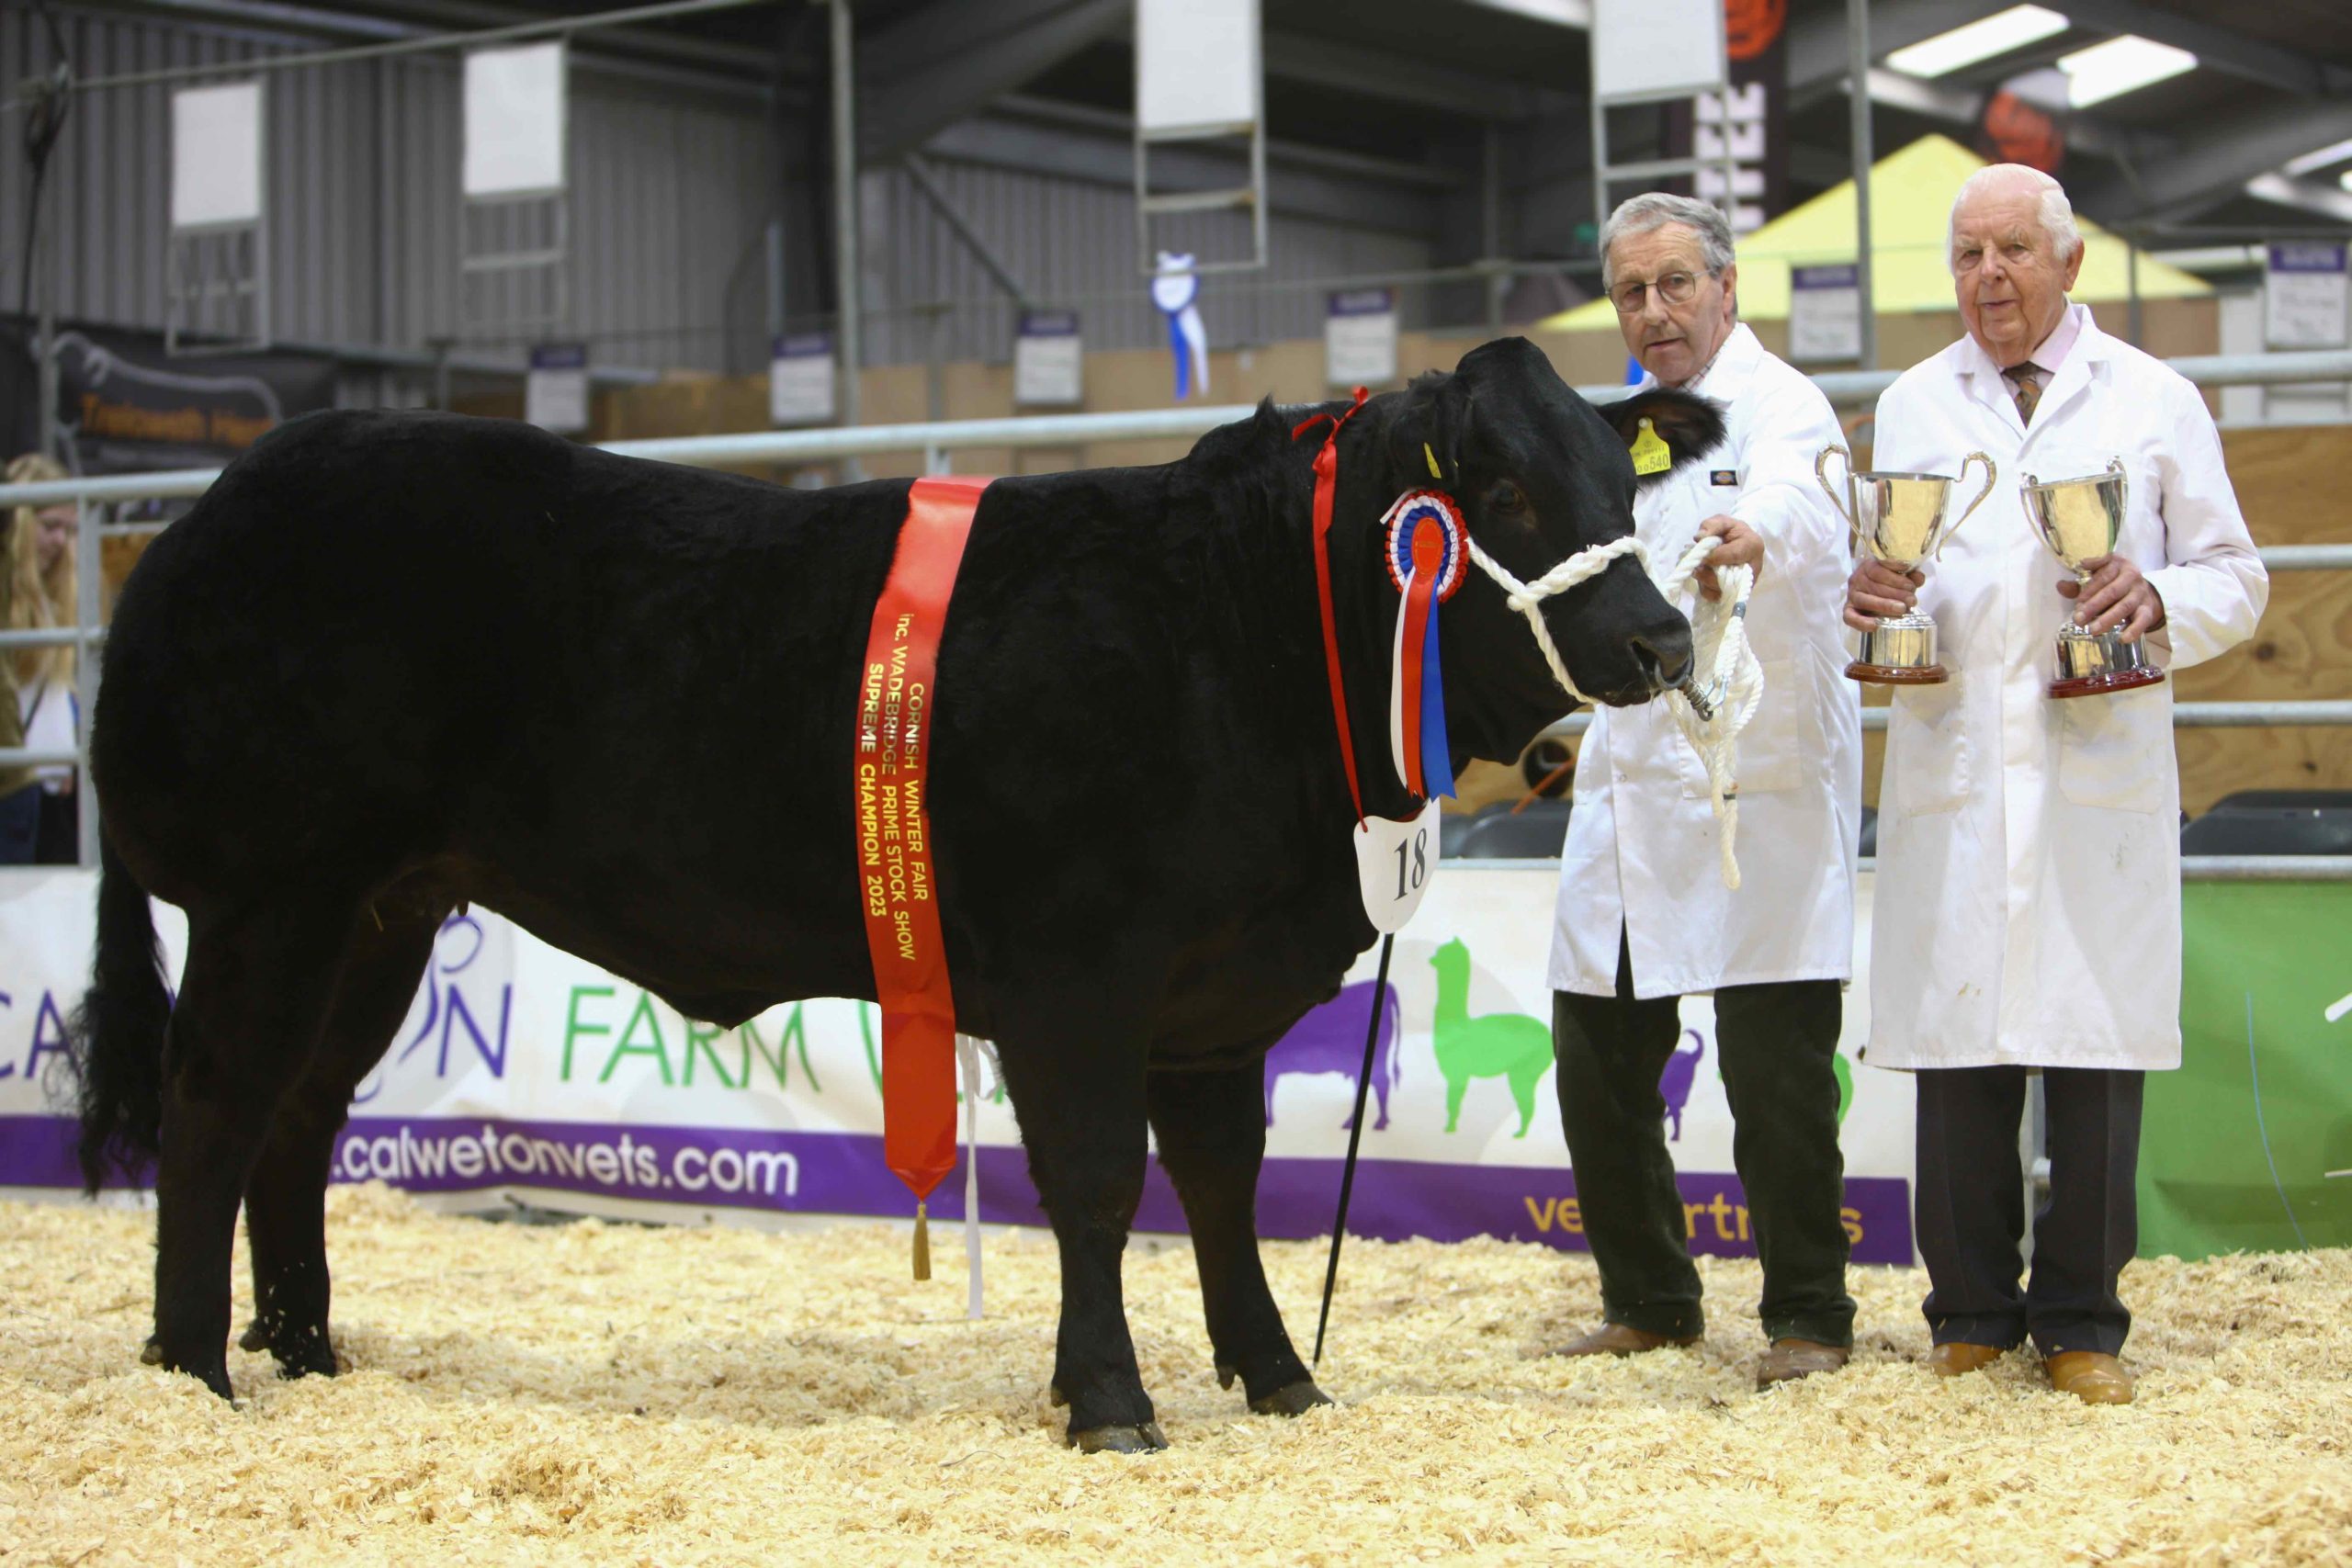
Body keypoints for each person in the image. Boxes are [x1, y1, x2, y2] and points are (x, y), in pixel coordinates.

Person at [1849, 165, 2267, 1405]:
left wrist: (2162, 598)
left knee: (2092, 1051)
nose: (1989, 277)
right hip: (1958, 763)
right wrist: (1869, 599)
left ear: (2069, 263)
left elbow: (2236, 574)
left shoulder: (2154, 397)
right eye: (1968, 255)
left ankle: (2084, 1317)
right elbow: (1888, 565)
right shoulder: (1913, 402)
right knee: (1961, 1041)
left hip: (2096, 767)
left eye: (2014, 250)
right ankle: (1968, 1308)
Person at [1548, 193, 1863, 1390]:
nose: (1654, 310)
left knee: (1775, 1067)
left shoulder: (1785, 405)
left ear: (1729, 287)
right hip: (1631, 774)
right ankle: (1648, 1297)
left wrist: (1749, 528)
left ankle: (1808, 1315)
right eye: (1633, 291)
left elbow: (1800, 502)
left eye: (1676, 283)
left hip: (1754, 776)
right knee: (1596, 1048)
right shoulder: (1622, 423)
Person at [6, 453, 79, 863]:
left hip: (49, 784)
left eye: (69, 531)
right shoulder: (10, 598)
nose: (60, 542)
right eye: (50, 526)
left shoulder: (57, 597)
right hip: (17, 782)